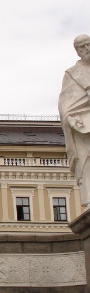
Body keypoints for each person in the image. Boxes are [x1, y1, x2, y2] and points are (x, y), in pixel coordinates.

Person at [58, 34, 90, 210]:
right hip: (83, 125)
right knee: (86, 162)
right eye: (82, 47)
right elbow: (66, 103)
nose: (86, 49)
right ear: (77, 51)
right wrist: (70, 117)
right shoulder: (73, 74)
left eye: (88, 45)